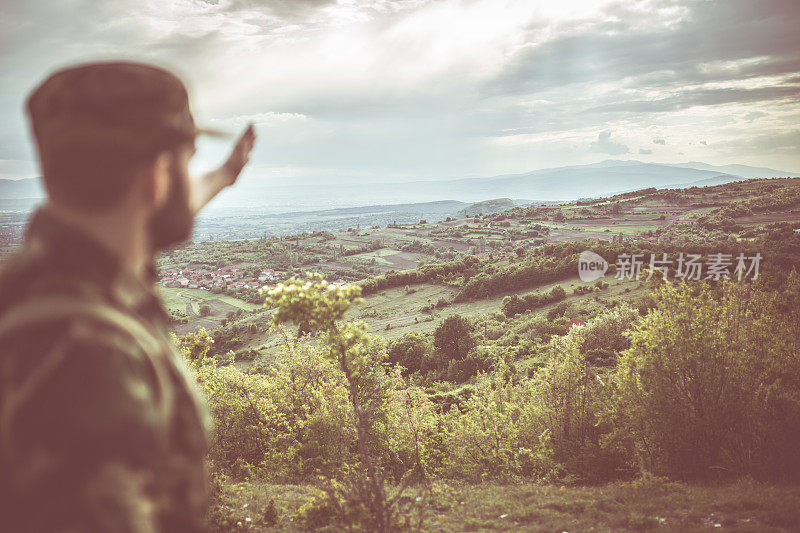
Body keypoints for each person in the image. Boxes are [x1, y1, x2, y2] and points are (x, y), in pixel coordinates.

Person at [0, 61, 256, 531]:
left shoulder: (33, 276)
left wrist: (223, 175)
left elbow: (154, 215)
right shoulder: (91, 356)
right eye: (187, 159)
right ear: (157, 174)